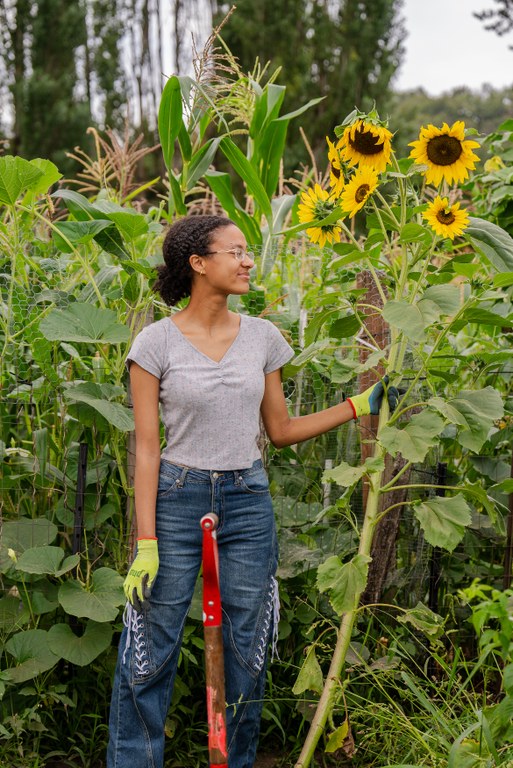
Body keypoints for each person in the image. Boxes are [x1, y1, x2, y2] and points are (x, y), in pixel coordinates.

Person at [107, 214, 398, 768]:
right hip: (176, 498)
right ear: (197, 263)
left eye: (248, 251)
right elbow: (146, 448)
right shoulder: (155, 342)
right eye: (234, 252)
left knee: (248, 649)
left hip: (246, 500)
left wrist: (359, 405)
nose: (247, 262)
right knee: (149, 651)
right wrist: (146, 542)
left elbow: (281, 432)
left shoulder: (263, 336)